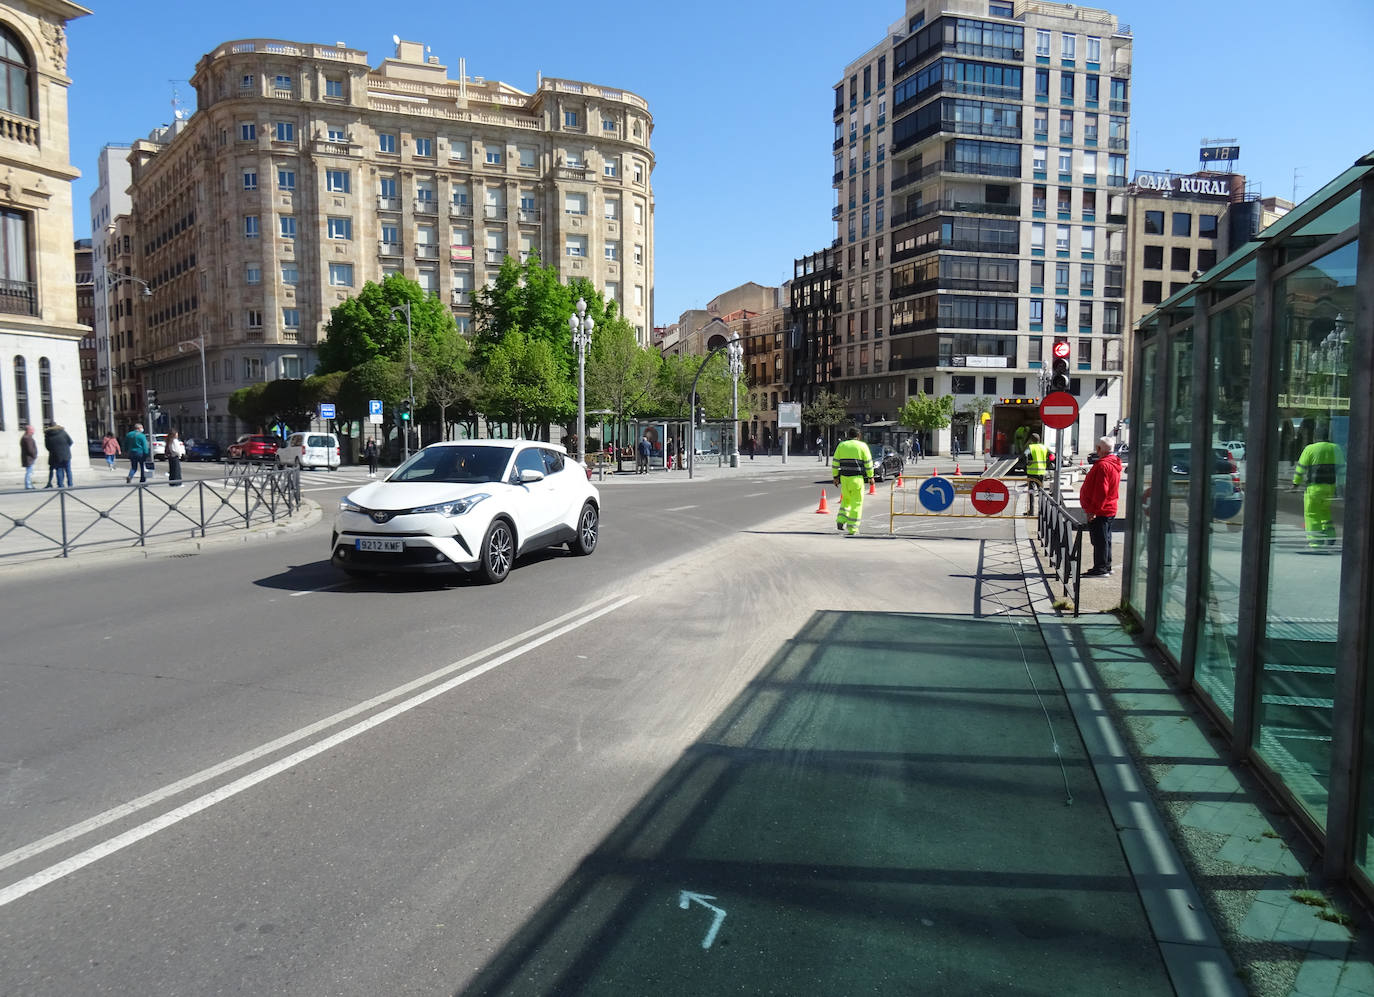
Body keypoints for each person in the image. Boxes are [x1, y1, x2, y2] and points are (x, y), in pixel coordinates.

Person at [1079, 437, 1122, 576]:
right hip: (1108, 507)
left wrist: (1092, 510)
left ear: (1099, 449)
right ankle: (1105, 566)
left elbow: (1101, 491)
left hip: (1101, 510)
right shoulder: (1113, 463)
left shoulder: (1103, 465)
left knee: (1100, 540)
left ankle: (1101, 568)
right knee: (1105, 539)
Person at [1293, 436, 1345, 548]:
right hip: (1330, 487)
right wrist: (1341, 486)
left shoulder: (1310, 449)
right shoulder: (1336, 448)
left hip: (1314, 487)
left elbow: (1300, 468)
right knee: (1325, 512)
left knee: (1312, 514)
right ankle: (1330, 535)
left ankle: (1316, 541)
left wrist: (1296, 483)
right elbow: (1341, 469)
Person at [831, 426, 874, 537]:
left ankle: (841, 519)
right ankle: (853, 527)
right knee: (857, 503)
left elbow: (835, 462)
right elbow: (868, 463)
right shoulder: (862, 446)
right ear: (858, 436)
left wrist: (835, 477)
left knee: (846, 500)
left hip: (844, 478)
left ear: (848, 435)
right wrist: (871, 477)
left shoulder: (842, 445)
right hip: (857, 479)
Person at [1025, 433, 1050, 515]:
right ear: (1039, 439)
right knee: (1041, 492)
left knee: (1031, 492)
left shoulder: (1030, 447)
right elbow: (1052, 456)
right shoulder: (1044, 447)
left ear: (1031, 440)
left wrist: (1027, 463)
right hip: (1041, 473)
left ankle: (1031, 511)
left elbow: (1025, 455)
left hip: (1031, 474)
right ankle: (1042, 511)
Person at [43, 424, 73, 488]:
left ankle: (60, 485)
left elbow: (47, 447)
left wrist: (54, 450)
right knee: (68, 470)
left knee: (59, 470)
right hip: (66, 454)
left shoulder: (47, 435)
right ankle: (70, 484)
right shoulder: (63, 432)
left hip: (56, 455)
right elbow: (70, 442)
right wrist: (66, 448)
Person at [19, 424, 37, 489]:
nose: (33, 431)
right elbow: (30, 449)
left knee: (30, 471)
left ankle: (29, 484)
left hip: (28, 458)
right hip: (29, 458)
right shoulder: (27, 438)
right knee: (29, 472)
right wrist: (34, 455)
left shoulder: (26, 437)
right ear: (29, 430)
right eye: (32, 430)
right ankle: (28, 485)